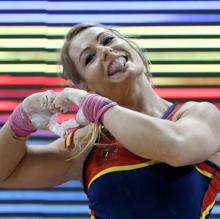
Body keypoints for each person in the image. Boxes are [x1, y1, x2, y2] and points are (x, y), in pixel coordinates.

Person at [0, 23, 220, 219]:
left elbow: (175, 147)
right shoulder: (87, 143)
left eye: (107, 40)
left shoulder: (199, 115)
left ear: (132, 47)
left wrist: (99, 108)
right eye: (89, 58)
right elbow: (5, 174)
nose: (105, 51)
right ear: (85, 88)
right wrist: (18, 124)